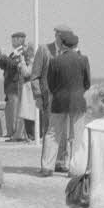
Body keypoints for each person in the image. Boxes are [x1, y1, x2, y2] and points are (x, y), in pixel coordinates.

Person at [42, 32, 91, 177]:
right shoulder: (83, 60)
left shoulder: (55, 61)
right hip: (78, 101)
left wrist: (58, 93)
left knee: (53, 133)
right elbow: (87, 83)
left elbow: (50, 84)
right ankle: (75, 168)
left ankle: (47, 167)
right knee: (77, 135)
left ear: (63, 45)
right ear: (76, 45)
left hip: (59, 100)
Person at [30, 24, 72, 163]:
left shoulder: (71, 52)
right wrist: (38, 97)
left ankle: (61, 161)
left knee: (64, 132)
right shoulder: (44, 50)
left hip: (65, 99)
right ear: (58, 35)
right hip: (49, 99)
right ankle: (48, 164)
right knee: (49, 131)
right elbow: (35, 76)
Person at [0, 32, 34, 142]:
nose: (12, 41)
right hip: (9, 86)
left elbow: (14, 66)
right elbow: (4, 66)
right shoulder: (15, 52)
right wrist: (0, 56)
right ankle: (11, 133)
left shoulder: (22, 52)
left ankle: (16, 134)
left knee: (15, 111)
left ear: (20, 39)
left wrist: (4, 56)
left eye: (15, 39)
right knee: (10, 110)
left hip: (16, 85)